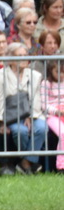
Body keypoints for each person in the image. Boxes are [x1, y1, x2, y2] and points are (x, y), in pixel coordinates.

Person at [0, 43, 42, 172]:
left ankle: (25, 162)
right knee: (21, 132)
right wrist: (2, 122)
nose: (24, 58)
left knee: (42, 128)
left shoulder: (35, 75)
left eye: (25, 55)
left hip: (30, 113)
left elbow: (36, 99)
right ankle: (29, 163)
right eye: (19, 56)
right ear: (11, 59)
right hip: (11, 115)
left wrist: (30, 116)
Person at [37, 30, 64, 172]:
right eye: (57, 72)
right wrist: (57, 111)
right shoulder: (46, 83)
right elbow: (44, 103)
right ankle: (61, 165)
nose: (60, 75)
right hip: (53, 115)